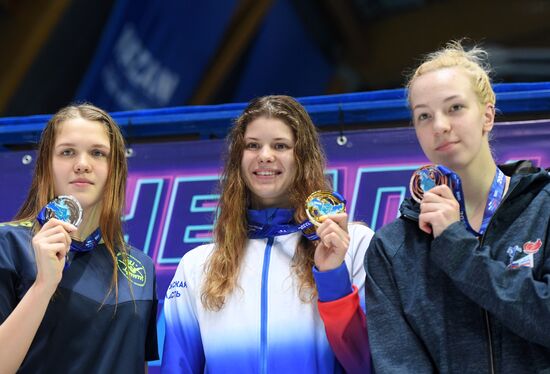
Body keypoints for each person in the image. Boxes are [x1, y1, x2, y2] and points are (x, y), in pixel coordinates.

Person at [365, 40, 550, 372]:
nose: (439, 126)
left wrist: (456, 244)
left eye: (455, 108)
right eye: (424, 116)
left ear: (487, 115)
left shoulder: (544, 208)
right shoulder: (392, 248)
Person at [162, 95, 373, 373]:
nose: (264, 155)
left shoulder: (352, 244)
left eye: (280, 145)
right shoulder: (197, 265)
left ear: (303, 158)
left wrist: (333, 276)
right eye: (252, 145)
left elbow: (366, 363)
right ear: (239, 158)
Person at [0, 104, 158, 373]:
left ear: (115, 168)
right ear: (46, 165)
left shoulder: (140, 267)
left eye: (97, 153)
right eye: (67, 152)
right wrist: (43, 285)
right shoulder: (9, 245)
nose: (82, 164)